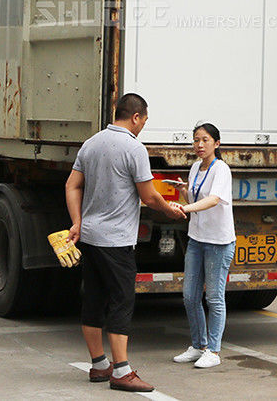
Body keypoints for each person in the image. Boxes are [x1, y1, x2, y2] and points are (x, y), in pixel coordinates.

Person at [65, 92, 186, 393]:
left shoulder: (91, 144)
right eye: (144, 120)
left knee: (93, 298)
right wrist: (171, 210)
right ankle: (122, 371)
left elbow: (72, 185)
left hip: (90, 237)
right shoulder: (134, 148)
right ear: (135, 117)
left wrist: (77, 222)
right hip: (117, 241)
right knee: (121, 301)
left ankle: (98, 365)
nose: (143, 125)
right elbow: (148, 196)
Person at [171, 122, 236, 370]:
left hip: (218, 242)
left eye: (205, 140)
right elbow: (196, 197)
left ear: (216, 144)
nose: (199, 145)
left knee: (215, 297)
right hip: (197, 238)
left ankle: (214, 350)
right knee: (189, 295)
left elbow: (213, 200)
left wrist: (185, 208)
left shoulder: (222, 169)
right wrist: (184, 192)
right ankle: (198, 345)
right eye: (196, 140)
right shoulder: (195, 167)